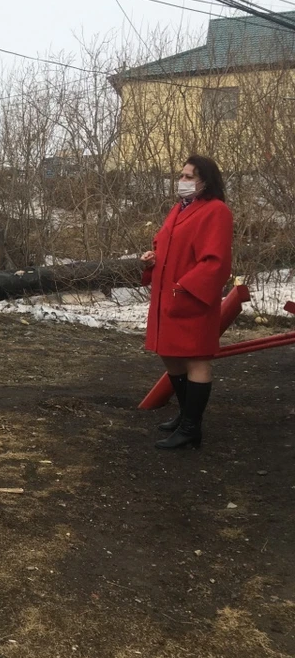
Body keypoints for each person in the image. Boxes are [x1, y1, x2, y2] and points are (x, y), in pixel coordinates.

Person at [141, 155, 233, 450]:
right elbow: (165, 244)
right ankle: (185, 415)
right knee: (169, 354)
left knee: (196, 359)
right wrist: (153, 258)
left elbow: (216, 262)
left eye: (189, 176)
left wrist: (186, 288)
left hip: (192, 298)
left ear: (205, 180)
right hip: (167, 297)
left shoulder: (216, 211)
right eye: (181, 175)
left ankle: (192, 428)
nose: (182, 181)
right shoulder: (179, 209)